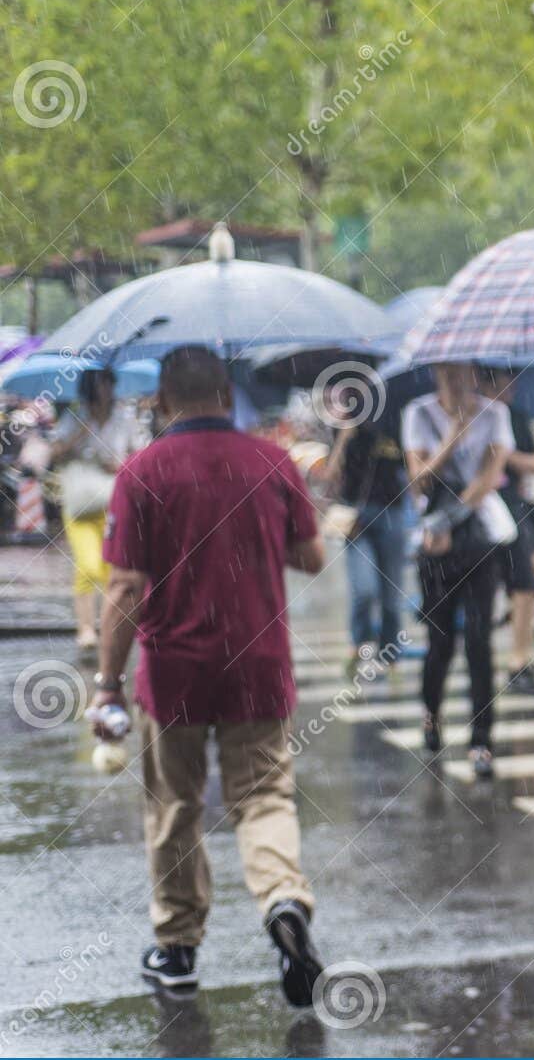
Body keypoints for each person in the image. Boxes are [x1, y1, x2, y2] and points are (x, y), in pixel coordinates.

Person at [89, 346, 327, 1002]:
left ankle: (178, 951)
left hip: (175, 673)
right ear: (228, 397)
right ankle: (283, 901)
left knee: (175, 807)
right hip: (258, 663)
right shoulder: (272, 462)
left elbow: (126, 588)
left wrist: (107, 684)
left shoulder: (141, 474)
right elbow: (313, 557)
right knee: (265, 797)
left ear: (162, 403)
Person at [402, 361, 512, 780]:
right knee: (440, 641)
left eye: (463, 371)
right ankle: (431, 714)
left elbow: (489, 477)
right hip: (434, 548)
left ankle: (482, 739)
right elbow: (419, 480)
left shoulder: (495, 414)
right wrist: (451, 439)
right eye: (448, 371)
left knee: (480, 641)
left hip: (476, 539)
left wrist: (451, 521)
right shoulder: (418, 413)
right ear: (436, 373)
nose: (457, 379)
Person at [323, 376, 412, 676]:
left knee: (391, 593)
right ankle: (359, 643)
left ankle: (390, 655)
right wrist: (345, 438)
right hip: (356, 518)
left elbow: (410, 468)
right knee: (364, 589)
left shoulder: (395, 420)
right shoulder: (341, 425)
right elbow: (329, 477)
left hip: (393, 512)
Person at [50, 367, 140, 652]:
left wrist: (119, 465)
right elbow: (53, 454)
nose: (104, 392)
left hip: (114, 500)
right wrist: (79, 434)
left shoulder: (125, 418)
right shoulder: (74, 417)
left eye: (107, 385)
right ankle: (86, 628)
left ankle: (106, 626)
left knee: (112, 569)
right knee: (87, 565)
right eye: (99, 386)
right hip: (80, 503)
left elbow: (140, 454)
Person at [479, 368, 534, 695]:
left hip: (513, 508)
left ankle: (519, 659)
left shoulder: (514, 416)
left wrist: (508, 454)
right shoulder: (471, 417)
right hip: (477, 507)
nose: (510, 388)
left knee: (524, 580)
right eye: (503, 382)